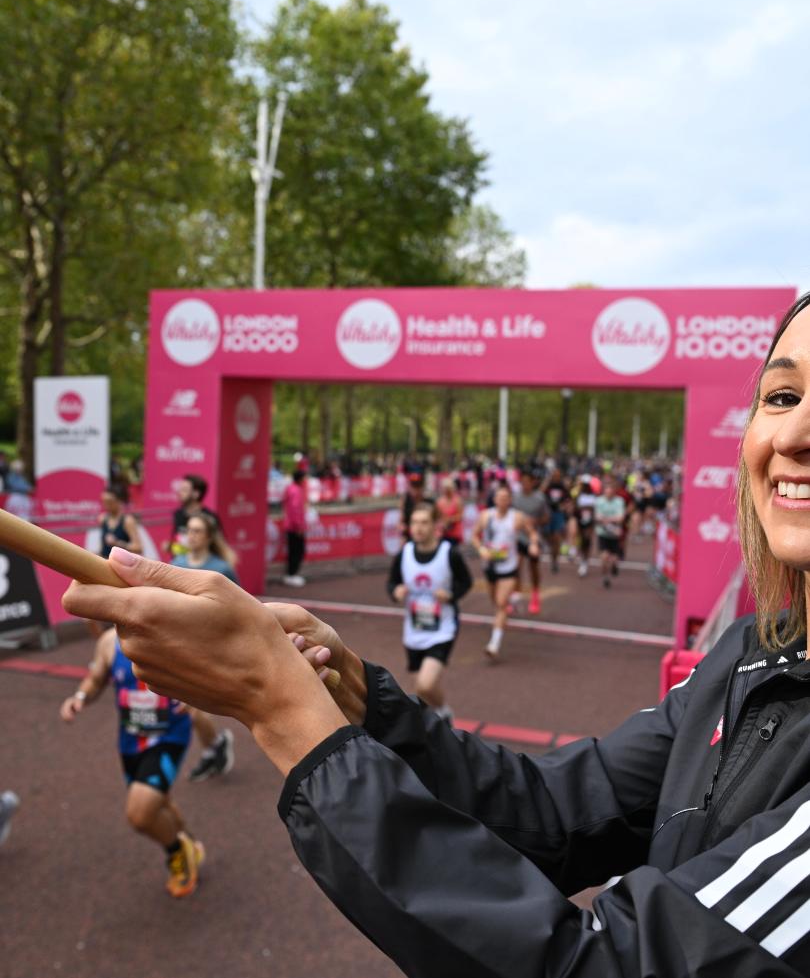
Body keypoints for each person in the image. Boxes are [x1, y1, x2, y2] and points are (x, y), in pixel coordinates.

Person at [64, 292, 810, 976]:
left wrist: (287, 714)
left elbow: (596, 965)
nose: (797, 432)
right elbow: (552, 812)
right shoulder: (750, 649)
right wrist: (360, 704)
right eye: (782, 395)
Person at [59, 628, 203, 898]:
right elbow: (96, 679)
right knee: (160, 802)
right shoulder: (108, 642)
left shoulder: (169, 632)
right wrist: (79, 698)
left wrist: (194, 693)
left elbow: (202, 669)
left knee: (140, 813)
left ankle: (176, 853)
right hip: (130, 741)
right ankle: (190, 845)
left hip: (168, 737)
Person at [387, 503, 472, 723]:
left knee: (425, 684)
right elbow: (392, 583)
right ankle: (440, 715)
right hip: (414, 630)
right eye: (414, 522)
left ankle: (444, 713)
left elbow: (466, 582)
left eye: (424, 522)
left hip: (442, 628)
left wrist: (451, 594)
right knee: (421, 691)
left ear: (436, 526)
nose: (418, 528)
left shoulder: (449, 554)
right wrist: (396, 592)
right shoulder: (404, 554)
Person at [170, 513, 238, 782]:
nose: (192, 535)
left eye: (198, 531)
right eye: (189, 530)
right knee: (187, 706)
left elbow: (239, 608)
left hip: (210, 645)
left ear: (209, 537)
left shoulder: (221, 569)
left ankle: (214, 746)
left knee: (190, 704)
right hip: (180, 643)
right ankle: (215, 745)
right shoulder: (175, 563)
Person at [471, 482, 540, 660]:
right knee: (495, 603)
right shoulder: (486, 516)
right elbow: (474, 536)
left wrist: (533, 544)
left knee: (501, 603)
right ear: (494, 499)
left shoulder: (517, 517)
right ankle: (513, 602)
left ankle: (494, 644)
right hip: (490, 566)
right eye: (499, 498)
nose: (502, 501)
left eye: (506, 498)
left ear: (510, 500)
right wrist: (481, 550)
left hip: (509, 566)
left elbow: (532, 533)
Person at [86, 484, 143, 639]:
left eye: (109, 501)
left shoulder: (127, 521)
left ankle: (121, 652)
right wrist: (93, 554)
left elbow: (138, 548)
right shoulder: (103, 519)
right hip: (104, 568)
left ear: (119, 502)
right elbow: (104, 548)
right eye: (103, 501)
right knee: (88, 616)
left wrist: (118, 543)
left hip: (120, 573)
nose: (106, 505)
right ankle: (103, 646)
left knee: (119, 617)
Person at [511, 466, 550, 614]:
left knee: (533, 568)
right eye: (522, 481)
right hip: (518, 537)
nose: (525, 484)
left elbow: (546, 517)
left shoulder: (540, 498)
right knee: (516, 566)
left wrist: (536, 521)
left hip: (534, 538)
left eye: (527, 481)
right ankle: (515, 596)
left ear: (533, 482)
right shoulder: (515, 498)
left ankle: (535, 596)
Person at [165, 474, 223, 558]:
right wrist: (172, 547)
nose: (179, 493)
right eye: (180, 489)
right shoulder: (178, 514)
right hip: (180, 565)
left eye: (184, 490)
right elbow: (182, 546)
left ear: (196, 494)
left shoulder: (210, 518)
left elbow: (217, 548)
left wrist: (171, 547)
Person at [593, 477, 626, 589]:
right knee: (604, 557)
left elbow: (621, 517)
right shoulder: (599, 501)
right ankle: (605, 577)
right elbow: (597, 516)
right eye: (607, 490)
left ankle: (614, 565)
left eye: (611, 490)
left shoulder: (619, 501)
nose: (609, 492)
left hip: (615, 534)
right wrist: (609, 520)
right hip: (603, 534)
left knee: (614, 559)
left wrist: (607, 519)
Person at [282, 469, 308, 587]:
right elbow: (295, 509)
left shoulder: (290, 489)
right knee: (298, 550)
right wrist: (298, 526)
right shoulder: (296, 491)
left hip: (290, 525)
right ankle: (292, 574)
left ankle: (290, 574)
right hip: (295, 527)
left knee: (293, 550)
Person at [435, 477, 463, 545]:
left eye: (448, 488)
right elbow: (437, 516)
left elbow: (460, 516)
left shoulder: (457, 500)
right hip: (442, 533)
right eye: (444, 488)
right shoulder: (439, 501)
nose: (446, 490)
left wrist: (450, 520)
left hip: (454, 533)